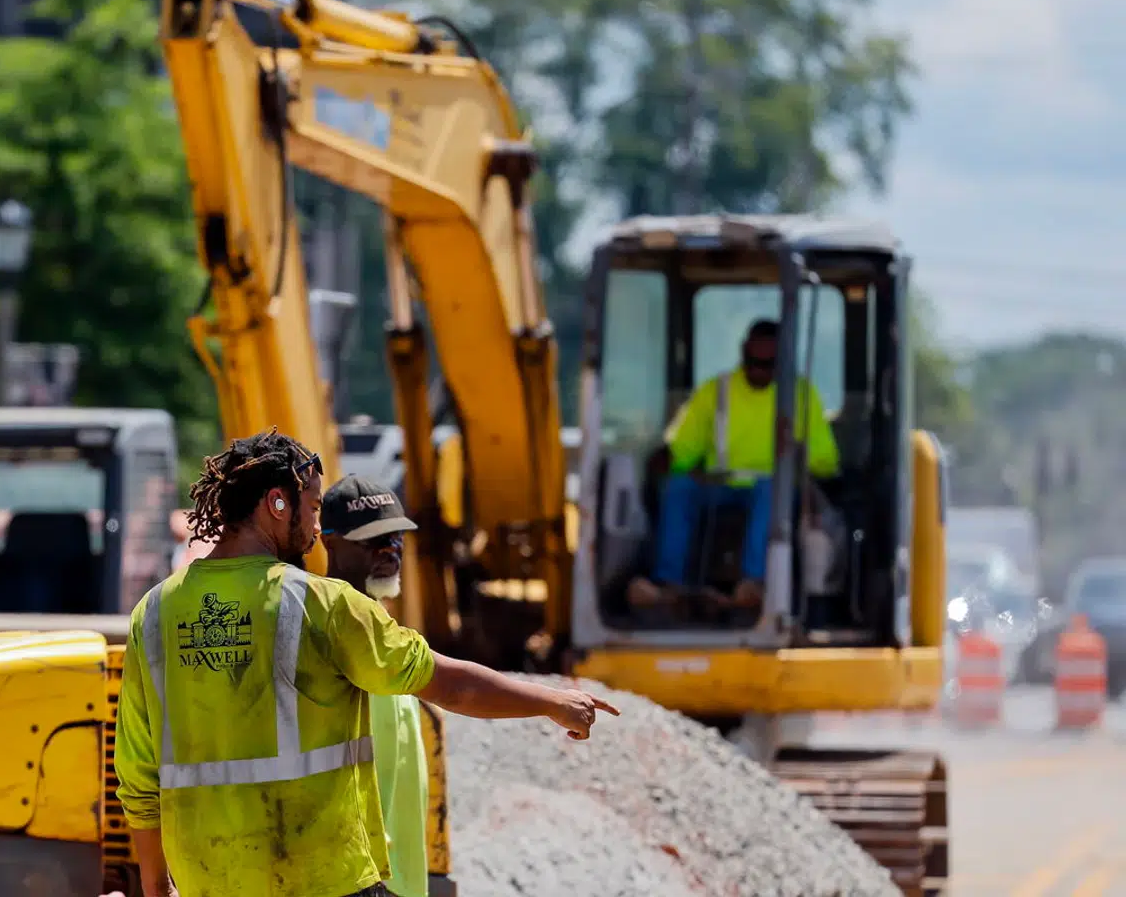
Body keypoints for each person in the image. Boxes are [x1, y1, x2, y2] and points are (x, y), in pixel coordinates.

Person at [114, 429, 619, 897]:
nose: (315, 529)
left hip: (210, 882)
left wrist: (156, 888)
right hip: (322, 877)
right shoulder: (322, 604)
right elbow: (450, 686)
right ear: (276, 503)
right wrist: (554, 702)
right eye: (311, 509)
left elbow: (138, 774)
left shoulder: (154, 613)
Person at [627, 318, 839, 616]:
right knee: (679, 488)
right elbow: (684, 450)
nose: (758, 370)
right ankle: (668, 584)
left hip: (769, 489)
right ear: (743, 353)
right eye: (753, 362)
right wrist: (669, 460)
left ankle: (752, 584)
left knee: (772, 490)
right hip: (720, 486)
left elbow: (826, 460)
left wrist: (800, 455)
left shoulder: (802, 397)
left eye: (768, 364)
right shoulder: (717, 391)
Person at [320, 475, 428, 897]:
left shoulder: (385, 632)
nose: (391, 552)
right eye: (373, 540)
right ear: (328, 542)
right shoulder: (322, 630)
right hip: (355, 881)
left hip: (397, 881)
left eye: (396, 537)